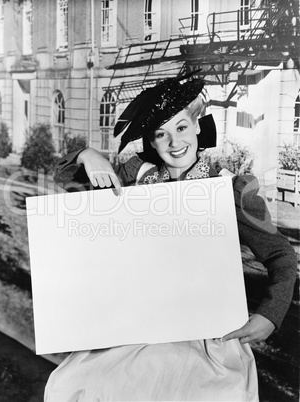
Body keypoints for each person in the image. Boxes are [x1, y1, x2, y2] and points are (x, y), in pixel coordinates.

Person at [45, 75, 297, 401]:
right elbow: (67, 182)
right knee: (69, 386)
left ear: (197, 127)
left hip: (206, 334)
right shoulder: (136, 176)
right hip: (139, 328)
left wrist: (269, 316)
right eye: (161, 134)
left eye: (180, 128)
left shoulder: (229, 188)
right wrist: (86, 154)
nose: (174, 142)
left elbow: (281, 255)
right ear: (151, 141)